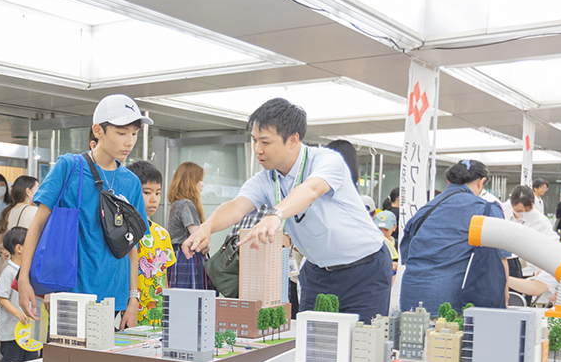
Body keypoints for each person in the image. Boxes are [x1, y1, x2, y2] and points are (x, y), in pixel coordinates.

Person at [182, 98, 389, 322]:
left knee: (360, 348)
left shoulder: (327, 161)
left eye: (265, 142)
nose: (257, 150)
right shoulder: (265, 179)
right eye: (254, 141)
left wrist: (276, 215)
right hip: (317, 272)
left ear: (293, 140)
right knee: (310, 349)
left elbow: (310, 189)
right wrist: (206, 228)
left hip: (365, 269)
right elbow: (236, 206)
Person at [15, 94, 149, 329]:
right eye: (121, 133)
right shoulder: (69, 167)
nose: (129, 141)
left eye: (134, 133)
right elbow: (37, 224)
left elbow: (132, 246)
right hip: (70, 293)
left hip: (114, 298)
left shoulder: (132, 182)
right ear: (98, 130)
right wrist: (24, 279)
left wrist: (133, 298)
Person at [398, 159, 506, 313]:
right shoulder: (485, 209)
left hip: (410, 297)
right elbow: (500, 262)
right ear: (481, 183)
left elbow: (407, 254)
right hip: (450, 300)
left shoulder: (424, 210)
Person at [128, 160, 176, 323]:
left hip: (159, 313)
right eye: (147, 192)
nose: (154, 199)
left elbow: (165, 277)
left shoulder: (162, 234)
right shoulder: (124, 232)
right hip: (130, 311)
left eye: (157, 193)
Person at [0, 228, 40, 362]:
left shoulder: (31, 272)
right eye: (32, 244)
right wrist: (18, 313)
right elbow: (1, 298)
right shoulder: (8, 271)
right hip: (12, 333)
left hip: (30, 332)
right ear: (19, 248)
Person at [166, 161, 209, 289]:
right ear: (190, 181)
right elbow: (197, 237)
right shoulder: (185, 204)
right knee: (192, 300)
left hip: (177, 255)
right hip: (187, 256)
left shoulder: (177, 203)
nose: (203, 184)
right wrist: (205, 245)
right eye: (200, 180)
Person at [0, 175, 39, 280]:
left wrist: (9, 248)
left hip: (10, 265)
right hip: (29, 265)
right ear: (28, 191)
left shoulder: (7, 212)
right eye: (38, 189)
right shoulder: (35, 211)